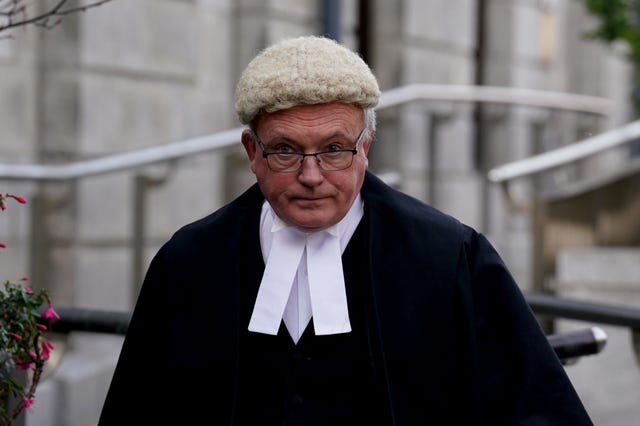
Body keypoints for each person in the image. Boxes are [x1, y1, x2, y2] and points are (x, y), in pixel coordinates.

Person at [98, 35, 592, 425]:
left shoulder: (448, 256)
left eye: (335, 148)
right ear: (252, 152)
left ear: (366, 146)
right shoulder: (190, 261)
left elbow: (539, 410)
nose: (312, 176)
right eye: (286, 150)